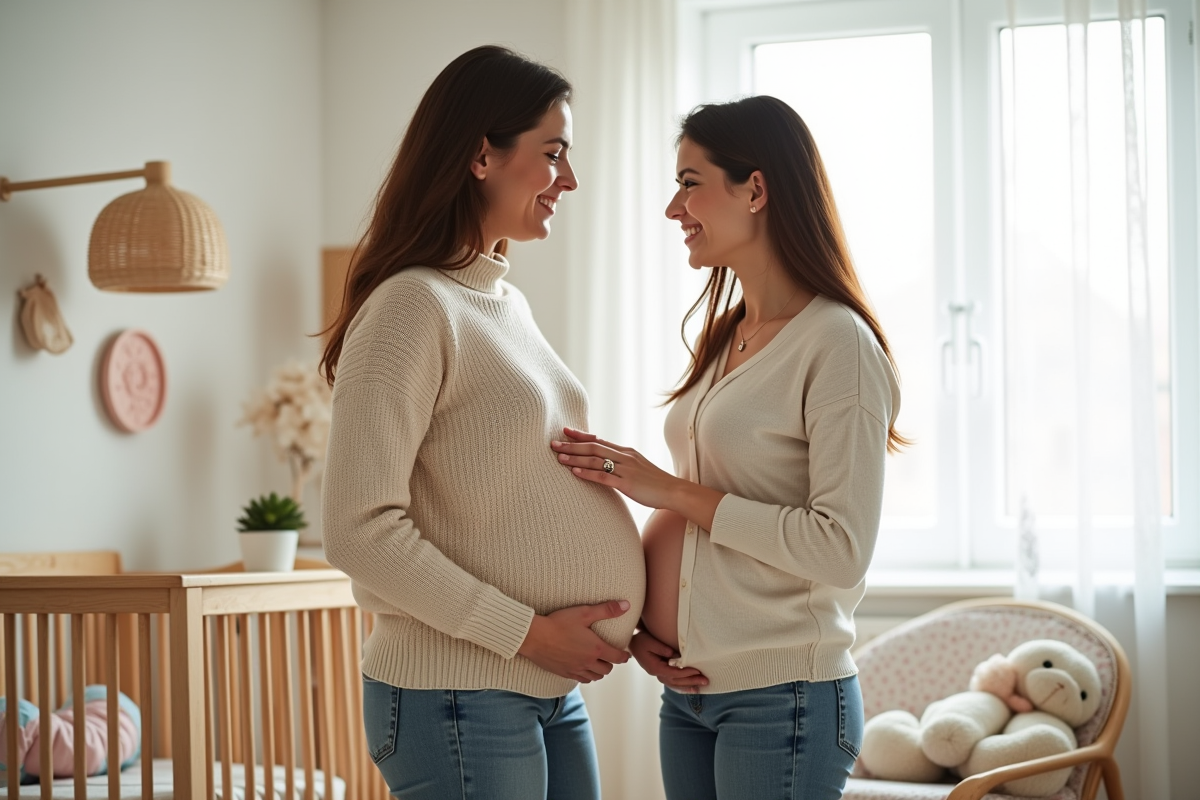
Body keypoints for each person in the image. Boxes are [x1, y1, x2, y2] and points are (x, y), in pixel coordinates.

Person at [550, 95, 905, 800]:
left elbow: (840, 548)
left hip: (784, 696)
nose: (672, 209)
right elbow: (706, 521)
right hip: (690, 691)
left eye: (689, 183)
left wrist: (665, 489)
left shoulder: (838, 344)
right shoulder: (728, 335)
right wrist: (644, 629)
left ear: (756, 189)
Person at [320, 45, 645, 800]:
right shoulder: (412, 306)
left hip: (539, 685)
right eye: (553, 153)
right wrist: (528, 633)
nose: (570, 179)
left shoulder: (504, 303)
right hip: (458, 692)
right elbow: (358, 530)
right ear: (480, 156)